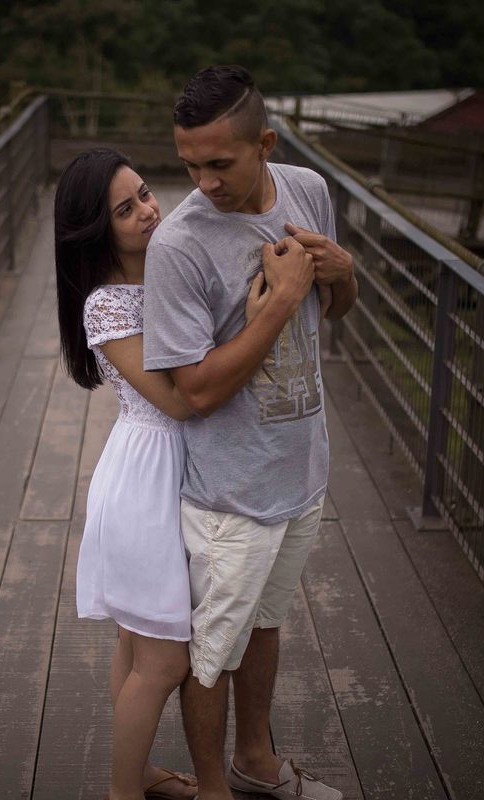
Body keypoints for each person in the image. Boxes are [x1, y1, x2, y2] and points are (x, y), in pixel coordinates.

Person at [55, 147, 299, 800]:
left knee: (136, 650)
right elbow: (177, 398)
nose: (147, 211)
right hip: (148, 477)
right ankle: (122, 793)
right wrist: (256, 324)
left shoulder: (163, 273)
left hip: (178, 470)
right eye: (125, 209)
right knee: (163, 663)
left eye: (145, 194)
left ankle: (136, 774)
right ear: (95, 228)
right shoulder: (107, 306)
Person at [142, 66, 357, 800]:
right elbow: (193, 390)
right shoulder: (178, 247)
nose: (202, 181)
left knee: (264, 626)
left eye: (219, 163)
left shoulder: (307, 191)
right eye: (188, 165)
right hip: (229, 493)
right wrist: (279, 302)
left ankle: (256, 763)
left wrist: (346, 273)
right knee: (210, 654)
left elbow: (332, 311)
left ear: (264, 144)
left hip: (301, 471)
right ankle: (212, 791)